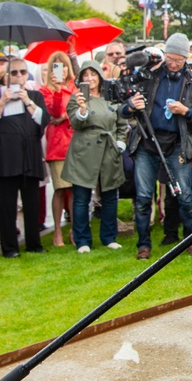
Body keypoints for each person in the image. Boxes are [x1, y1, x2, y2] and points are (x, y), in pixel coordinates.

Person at [124, 33, 192, 260]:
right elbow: (123, 103)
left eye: (179, 59)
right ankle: (143, 245)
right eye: (170, 58)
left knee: (185, 195)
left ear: (187, 58)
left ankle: (191, 240)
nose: (173, 64)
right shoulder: (151, 74)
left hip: (177, 144)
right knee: (144, 197)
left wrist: (186, 112)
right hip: (147, 142)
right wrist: (129, 106)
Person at [0, 58, 50, 258]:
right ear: (6, 76)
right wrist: (3, 101)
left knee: (31, 204)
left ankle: (33, 243)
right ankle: (10, 247)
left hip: (30, 155)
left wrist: (27, 100)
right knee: (7, 206)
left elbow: (43, 120)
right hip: (6, 158)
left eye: (22, 72)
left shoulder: (35, 95)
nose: (18, 76)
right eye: (14, 73)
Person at [62, 60, 128, 253]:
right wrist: (82, 110)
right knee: (82, 198)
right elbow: (75, 123)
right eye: (85, 75)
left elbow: (121, 123)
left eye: (93, 74)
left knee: (110, 196)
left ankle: (109, 237)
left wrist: (120, 142)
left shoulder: (111, 97)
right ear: (80, 78)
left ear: (100, 76)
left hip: (109, 149)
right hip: (84, 151)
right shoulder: (77, 99)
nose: (90, 79)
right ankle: (82, 240)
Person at [40, 51, 76, 247]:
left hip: (75, 144)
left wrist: (66, 117)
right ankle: (56, 231)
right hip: (57, 145)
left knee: (73, 189)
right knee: (61, 188)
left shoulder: (75, 87)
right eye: (56, 65)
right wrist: (58, 90)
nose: (60, 68)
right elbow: (53, 112)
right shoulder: (45, 90)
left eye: (63, 64)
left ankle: (72, 229)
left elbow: (80, 111)